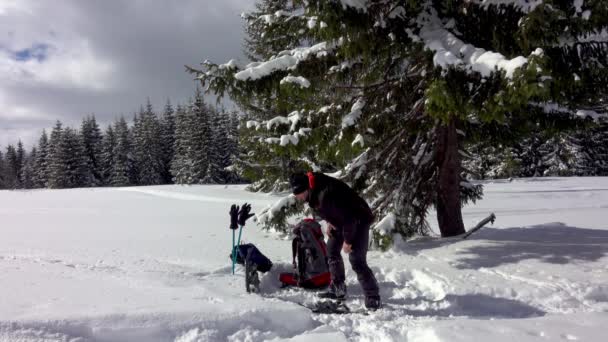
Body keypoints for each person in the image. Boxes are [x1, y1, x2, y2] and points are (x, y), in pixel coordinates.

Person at [290, 171, 381, 310]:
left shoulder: (324, 195)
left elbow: (349, 218)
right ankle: (338, 287)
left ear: (306, 189)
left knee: (356, 259)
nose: (298, 197)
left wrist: (348, 241)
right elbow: (332, 210)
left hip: (359, 219)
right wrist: (330, 221)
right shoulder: (314, 192)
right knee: (331, 249)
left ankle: (373, 297)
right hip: (344, 221)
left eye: (299, 194)